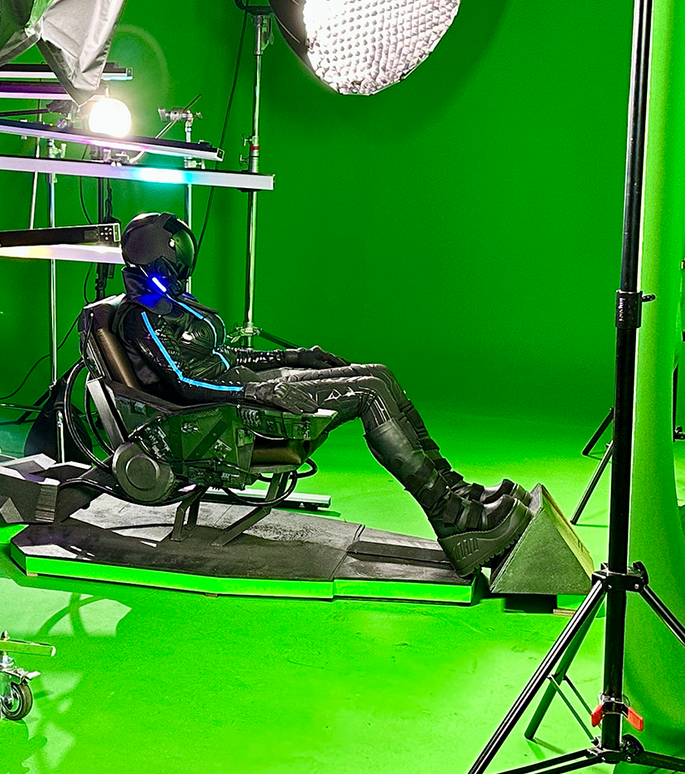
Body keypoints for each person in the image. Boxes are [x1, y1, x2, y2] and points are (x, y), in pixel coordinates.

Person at [107, 212, 531, 574]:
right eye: (177, 253)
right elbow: (188, 382)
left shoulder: (167, 304)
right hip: (229, 416)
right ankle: (453, 520)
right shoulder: (141, 318)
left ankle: (456, 492)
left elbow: (219, 357)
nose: (184, 264)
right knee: (368, 393)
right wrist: (266, 390)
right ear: (159, 255)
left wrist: (296, 356)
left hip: (247, 393)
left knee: (378, 375)